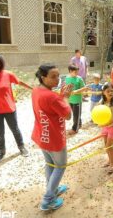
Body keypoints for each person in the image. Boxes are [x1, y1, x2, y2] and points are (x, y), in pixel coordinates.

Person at [31, 64, 73, 211]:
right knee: (60, 166)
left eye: (58, 75)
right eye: (53, 77)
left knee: (50, 164)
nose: (57, 79)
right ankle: (48, 199)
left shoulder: (36, 90)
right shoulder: (52, 96)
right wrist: (66, 98)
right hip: (54, 139)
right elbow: (67, 115)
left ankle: (52, 189)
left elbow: (51, 107)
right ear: (43, 78)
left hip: (42, 136)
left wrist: (60, 97)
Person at [99, 83, 113, 174]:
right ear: (103, 92)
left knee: (109, 146)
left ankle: (112, 163)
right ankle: (109, 160)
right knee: (106, 145)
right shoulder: (102, 102)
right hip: (104, 127)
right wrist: (100, 122)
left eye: (112, 91)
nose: (110, 92)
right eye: (108, 91)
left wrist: (106, 123)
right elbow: (98, 113)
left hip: (112, 127)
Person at [65, 64, 88, 135]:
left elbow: (85, 88)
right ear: (70, 71)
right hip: (70, 100)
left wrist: (76, 91)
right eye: (75, 72)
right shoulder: (67, 78)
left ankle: (75, 129)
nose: (76, 73)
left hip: (77, 100)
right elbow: (66, 87)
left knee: (76, 115)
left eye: (77, 72)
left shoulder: (79, 78)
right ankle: (79, 124)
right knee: (76, 114)